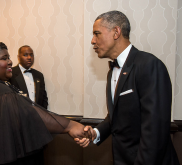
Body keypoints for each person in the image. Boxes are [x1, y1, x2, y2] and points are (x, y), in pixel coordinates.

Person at [0, 31, 88, 165]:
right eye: (4, 58)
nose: (10, 62)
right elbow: (29, 113)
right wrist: (70, 126)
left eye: (9, 57)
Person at [75, 10, 179, 165]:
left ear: (116, 32)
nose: (92, 40)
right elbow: (116, 116)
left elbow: (155, 131)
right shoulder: (112, 72)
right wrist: (95, 133)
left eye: (97, 34)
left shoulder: (149, 65)